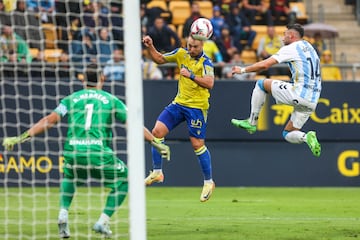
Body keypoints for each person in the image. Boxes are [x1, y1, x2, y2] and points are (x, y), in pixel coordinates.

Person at [2, 63, 170, 238]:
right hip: (97, 152)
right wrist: (155, 142)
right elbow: (133, 124)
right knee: (125, 180)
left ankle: (63, 214)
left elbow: (49, 120)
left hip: (73, 151)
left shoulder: (71, 98)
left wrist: (21, 137)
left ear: (83, 80)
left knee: (71, 176)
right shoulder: (111, 100)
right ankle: (102, 221)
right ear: (102, 78)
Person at [142, 33, 215, 202]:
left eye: (194, 47)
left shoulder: (206, 62)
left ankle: (208, 181)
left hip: (197, 107)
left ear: (202, 46)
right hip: (179, 104)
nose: (191, 49)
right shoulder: (181, 53)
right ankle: (157, 172)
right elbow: (159, 59)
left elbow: (210, 83)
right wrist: (151, 46)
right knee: (157, 131)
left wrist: (191, 75)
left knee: (197, 144)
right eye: (189, 45)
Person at [230, 23, 322, 157]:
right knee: (287, 133)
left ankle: (251, 122)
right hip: (313, 100)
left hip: (299, 92)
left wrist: (242, 70)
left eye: (284, 34)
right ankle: (306, 137)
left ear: (291, 35)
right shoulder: (310, 47)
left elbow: (265, 64)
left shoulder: (291, 48)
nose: (282, 37)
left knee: (261, 84)